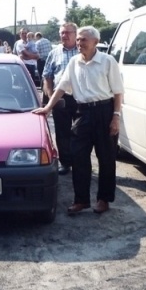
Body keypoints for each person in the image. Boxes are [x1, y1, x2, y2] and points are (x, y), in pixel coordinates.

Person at [34, 26, 124, 215]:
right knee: (79, 156)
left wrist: (116, 117)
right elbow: (62, 86)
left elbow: (118, 92)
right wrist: (48, 107)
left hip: (104, 111)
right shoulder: (74, 62)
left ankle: (104, 199)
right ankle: (81, 200)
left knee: (106, 158)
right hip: (82, 113)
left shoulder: (107, 61)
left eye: (84, 39)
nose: (79, 43)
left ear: (95, 42)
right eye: (79, 40)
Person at [41, 22, 80, 175]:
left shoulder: (82, 51)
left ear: (76, 34)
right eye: (62, 33)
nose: (65, 35)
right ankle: (65, 163)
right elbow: (47, 76)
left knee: (80, 132)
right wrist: (51, 98)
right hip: (60, 98)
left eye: (68, 32)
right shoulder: (54, 52)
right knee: (62, 132)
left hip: (80, 97)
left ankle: (80, 162)